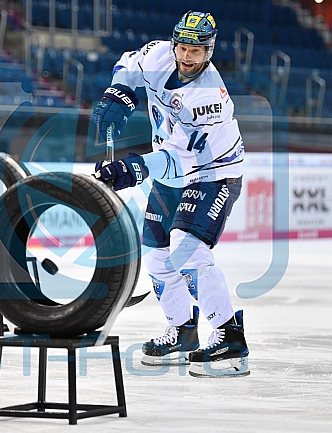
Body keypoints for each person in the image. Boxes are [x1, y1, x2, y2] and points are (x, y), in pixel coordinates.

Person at [93, 11, 249, 378]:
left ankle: (230, 337)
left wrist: (133, 168)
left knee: (185, 246)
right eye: (182, 47)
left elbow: (181, 157)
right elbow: (128, 63)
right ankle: (183, 331)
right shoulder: (158, 54)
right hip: (173, 168)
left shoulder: (208, 96)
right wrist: (119, 93)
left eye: (196, 50)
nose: (186, 56)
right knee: (156, 253)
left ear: (209, 50)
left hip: (213, 170)